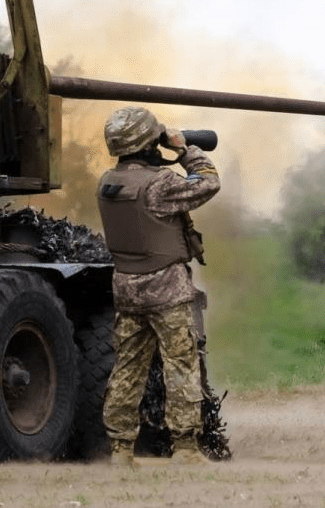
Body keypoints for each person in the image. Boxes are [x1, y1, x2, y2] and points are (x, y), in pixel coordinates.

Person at [97, 106, 221, 466]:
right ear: (146, 141)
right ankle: (184, 448)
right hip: (167, 291)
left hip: (127, 291)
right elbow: (209, 182)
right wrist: (184, 149)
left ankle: (120, 450)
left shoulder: (107, 181)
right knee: (180, 366)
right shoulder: (160, 184)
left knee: (127, 370)